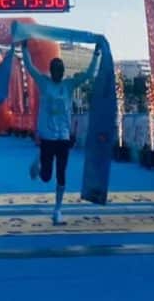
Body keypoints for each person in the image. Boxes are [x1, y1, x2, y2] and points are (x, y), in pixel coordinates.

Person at [21, 40, 102, 225]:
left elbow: (89, 74)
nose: (59, 73)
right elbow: (29, 67)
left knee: (61, 174)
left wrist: (96, 54)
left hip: (63, 137)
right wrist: (24, 47)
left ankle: (57, 210)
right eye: (56, 70)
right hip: (48, 137)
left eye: (61, 70)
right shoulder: (43, 82)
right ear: (51, 71)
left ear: (63, 72)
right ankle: (39, 160)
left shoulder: (69, 85)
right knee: (46, 176)